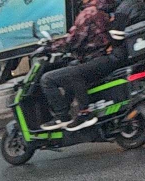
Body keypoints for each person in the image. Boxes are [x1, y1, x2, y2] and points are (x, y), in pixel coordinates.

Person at [41, 0, 120, 129]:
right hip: (103, 59)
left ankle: (70, 115)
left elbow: (73, 40)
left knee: (47, 79)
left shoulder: (88, 13)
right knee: (71, 69)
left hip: (96, 59)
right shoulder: (104, 10)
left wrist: (50, 47)